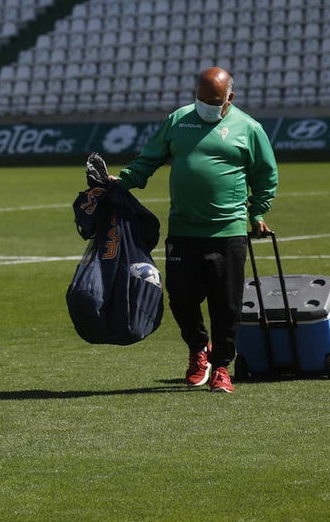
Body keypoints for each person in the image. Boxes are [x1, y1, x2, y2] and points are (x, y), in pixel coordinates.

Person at [115, 67, 279, 394]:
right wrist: (121, 182)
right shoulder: (179, 120)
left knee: (226, 305)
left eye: (213, 100)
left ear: (229, 99)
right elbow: (148, 160)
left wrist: (257, 212)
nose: (205, 105)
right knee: (181, 299)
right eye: (201, 99)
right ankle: (198, 348)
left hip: (227, 231)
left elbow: (266, 175)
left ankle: (221, 367)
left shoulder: (248, 128)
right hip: (183, 230)